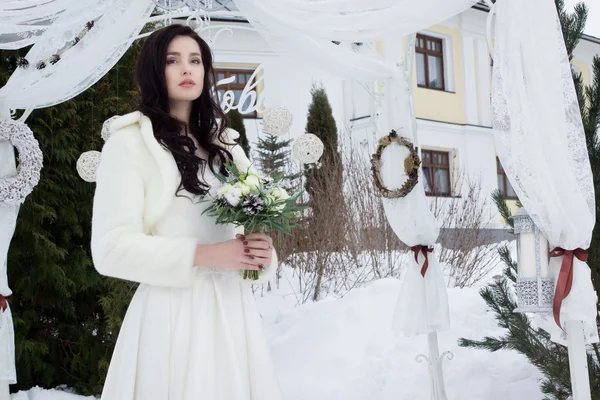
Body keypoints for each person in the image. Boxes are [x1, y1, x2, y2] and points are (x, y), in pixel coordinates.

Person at [91, 24, 282, 400]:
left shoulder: (225, 147)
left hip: (232, 315)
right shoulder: (129, 144)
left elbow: (250, 223)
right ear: (153, 71)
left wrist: (262, 253)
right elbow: (109, 249)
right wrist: (204, 255)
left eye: (195, 60)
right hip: (171, 315)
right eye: (172, 60)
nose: (187, 69)